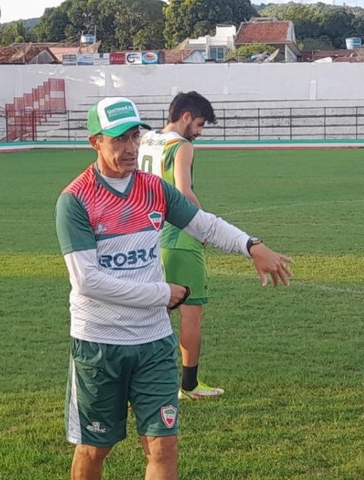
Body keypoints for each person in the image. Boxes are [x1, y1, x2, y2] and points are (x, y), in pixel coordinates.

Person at [55, 96, 293, 480]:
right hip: (100, 345)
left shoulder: (154, 189)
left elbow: (205, 225)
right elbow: (88, 281)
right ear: (94, 142)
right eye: (118, 140)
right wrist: (162, 294)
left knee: (164, 447)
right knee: (94, 448)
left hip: (153, 343)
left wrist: (252, 245)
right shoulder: (75, 201)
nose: (130, 148)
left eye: (134, 136)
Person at [136, 91, 224, 400]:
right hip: (179, 235)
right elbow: (184, 192)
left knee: (154, 311)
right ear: (185, 117)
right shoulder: (181, 146)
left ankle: (140, 382)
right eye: (199, 124)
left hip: (151, 234)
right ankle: (189, 385)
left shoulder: (145, 140)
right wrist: (204, 227)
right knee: (191, 312)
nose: (199, 132)